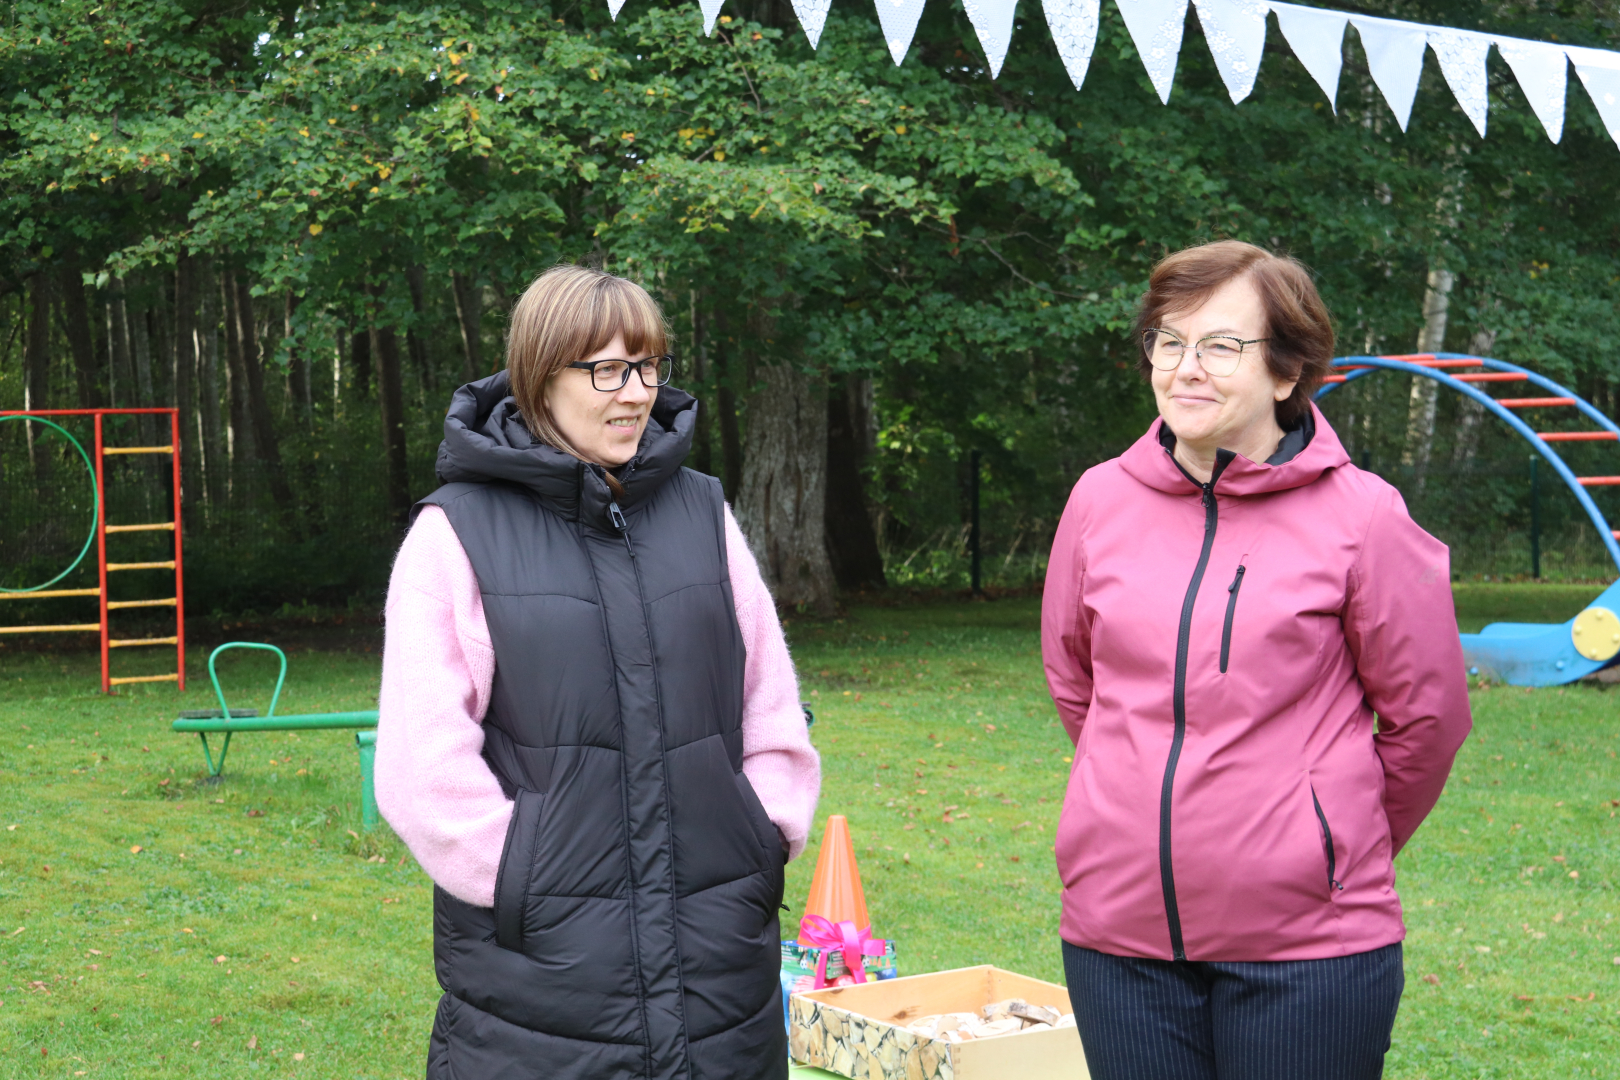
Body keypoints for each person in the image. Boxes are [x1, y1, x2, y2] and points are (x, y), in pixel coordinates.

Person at [376, 265, 820, 1080]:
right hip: (543, 994)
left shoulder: (703, 512)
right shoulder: (454, 535)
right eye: (608, 370)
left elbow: (771, 707)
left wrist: (762, 834)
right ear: (542, 375)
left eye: (647, 365)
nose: (637, 392)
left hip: (723, 976)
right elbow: (420, 768)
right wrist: (527, 878)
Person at [1041, 240, 1471, 1080]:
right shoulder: (1098, 500)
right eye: (1170, 341)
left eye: (1221, 345)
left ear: (1286, 372)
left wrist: (1326, 844)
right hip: (1117, 937)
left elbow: (1428, 719)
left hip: (1308, 950)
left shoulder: (1364, 516)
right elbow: (1075, 677)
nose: (1186, 368)